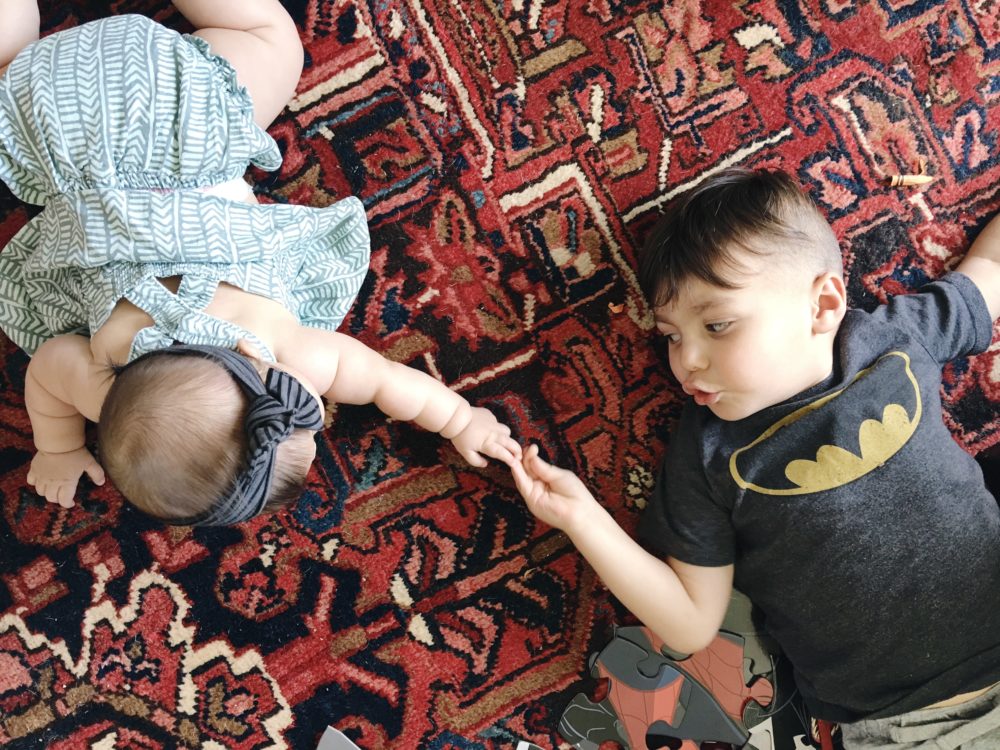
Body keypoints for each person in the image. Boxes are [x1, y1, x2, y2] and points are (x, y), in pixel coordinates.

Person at [509, 168, 1000, 748]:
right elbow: (690, 622)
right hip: (913, 726)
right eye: (670, 334)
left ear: (822, 304)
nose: (686, 358)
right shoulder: (707, 453)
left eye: (717, 325)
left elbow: (987, 274)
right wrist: (581, 518)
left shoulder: (895, 338)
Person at [0, 0, 520, 526]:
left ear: (254, 353)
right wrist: (59, 446)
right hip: (52, 126)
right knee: (7, 55)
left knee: (270, 39)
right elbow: (45, 372)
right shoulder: (99, 385)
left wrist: (461, 420)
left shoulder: (290, 348)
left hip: (177, 108)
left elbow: (387, 382)